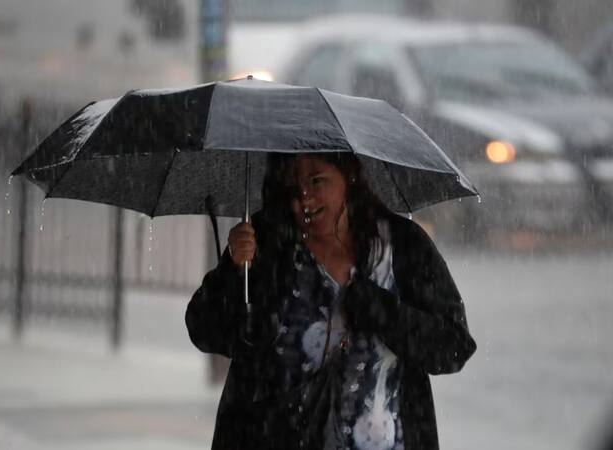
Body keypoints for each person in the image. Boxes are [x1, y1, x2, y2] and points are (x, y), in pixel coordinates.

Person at [186, 152, 476, 450]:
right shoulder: (265, 243)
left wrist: (380, 309)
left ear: (349, 176)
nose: (305, 196)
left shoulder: (402, 245)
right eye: (293, 185)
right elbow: (207, 331)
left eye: (317, 180)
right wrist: (233, 271)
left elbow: (452, 347)